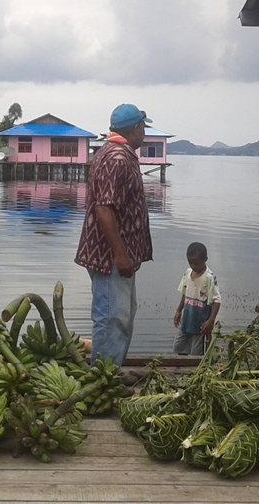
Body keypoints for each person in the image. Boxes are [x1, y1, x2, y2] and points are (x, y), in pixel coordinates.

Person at [75, 104, 153, 367]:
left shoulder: (118, 153)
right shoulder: (116, 158)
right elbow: (104, 208)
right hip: (109, 257)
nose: (144, 133)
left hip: (117, 256)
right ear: (135, 128)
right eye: (143, 128)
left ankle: (111, 372)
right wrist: (120, 255)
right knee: (112, 317)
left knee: (123, 314)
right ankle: (103, 379)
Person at [173, 242, 221, 356]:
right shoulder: (188, 273)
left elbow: (216, 301)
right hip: (186, 320)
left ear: (205, 259)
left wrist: (210, 321)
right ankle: (181, 370)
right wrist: (179, 311)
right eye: (190, 263)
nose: (193, 266)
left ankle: (193, 372)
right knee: (179, 347)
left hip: (200, 324)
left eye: (197, 263)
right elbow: (184, 293)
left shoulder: (209, 277)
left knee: (196, 354)